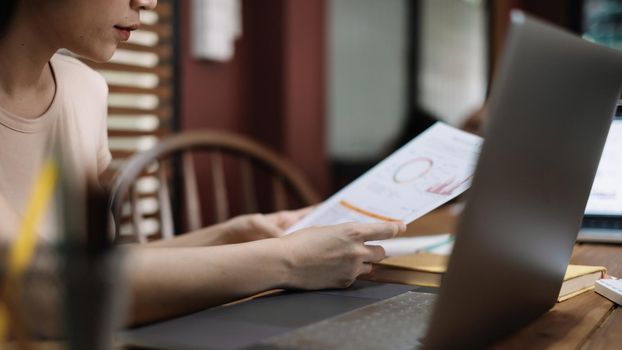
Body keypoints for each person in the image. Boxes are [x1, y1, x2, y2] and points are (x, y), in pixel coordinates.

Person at [0, 0, 405, 331]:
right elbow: (41, 292)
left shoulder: (84, 89)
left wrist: (230, 237)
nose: (148, 2)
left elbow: (91, 271)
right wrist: (287, 259)